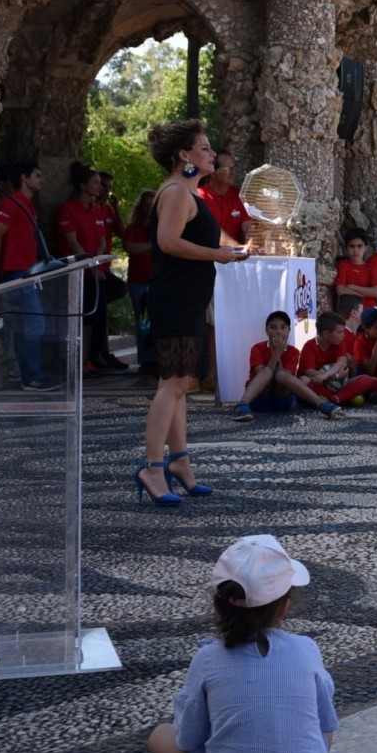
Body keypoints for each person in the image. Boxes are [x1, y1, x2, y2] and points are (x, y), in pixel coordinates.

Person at [147, 534, 337, 753]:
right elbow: (327, 723)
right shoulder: (307, 649)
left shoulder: (208, 659)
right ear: (284, 606)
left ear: (218, 605)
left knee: (160, 736)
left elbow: (187, 737)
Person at [140, 122, 249, 505]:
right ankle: (152, 468)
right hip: (175, 299)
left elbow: (201, 239)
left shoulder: (190, 192)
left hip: (188, 297)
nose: (211, 154)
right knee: (171, 384)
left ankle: (179, 463)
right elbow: (168, 242)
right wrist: (217, 255)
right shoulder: (175, 192)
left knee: (182, 384)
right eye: (203, 147)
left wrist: (232, 250)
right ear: (184, 156)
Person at [0, 159, 56, 391]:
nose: (42, 179)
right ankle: (32, 377)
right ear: (24, 179)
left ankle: (24, 373)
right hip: (16, 273)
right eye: (37, 175)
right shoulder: (12, 202)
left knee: (26, 325)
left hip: (28, 272)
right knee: (35, 324)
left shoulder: (29, 205)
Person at [54, 161, 126, 370]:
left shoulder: (97, 211)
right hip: (80, 275)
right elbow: (73, 243)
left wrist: (99, 264)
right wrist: (91, 267)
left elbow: (103, 241)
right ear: (82, 186)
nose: (100, 187)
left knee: (97, 317)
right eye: (95, 183)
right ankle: (81, 363)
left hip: (96, 274)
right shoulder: (68, 210)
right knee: (85, 318)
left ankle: (91, 359)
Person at [237, 310, 337, 418]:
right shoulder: (257, 348)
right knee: (266, 371)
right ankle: (243, 404)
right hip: (259, 399)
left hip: (282, 400)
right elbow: (261, 374)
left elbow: (285, 377)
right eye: (273, 328)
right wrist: (276, 353)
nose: (278, 332)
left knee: (281, 374)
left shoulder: (293, 352)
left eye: (283, 328)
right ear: (266, 331)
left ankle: (322, 404)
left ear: (289, 331)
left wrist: (278, 353)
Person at [299, 311, 377, 407]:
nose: (343, 335)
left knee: (366, 379)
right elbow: (309, 372)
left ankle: (336, 398)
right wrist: (334, 376)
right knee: (303, 380)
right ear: (326, 334)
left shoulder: (338, 342)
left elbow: (341, 361)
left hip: (339, 381)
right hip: (320, 384)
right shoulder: (309, 347)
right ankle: (343, 396)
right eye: (339, 332)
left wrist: (330, 375)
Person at [122, 189, 159, 372]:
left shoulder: (162, 225)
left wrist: (146, 248)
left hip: (158, 280)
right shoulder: (133, 228)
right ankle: (145, 359)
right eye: (146, 203)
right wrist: (153, 247)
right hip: (138, 280)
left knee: (158, 320)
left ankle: (158, 358)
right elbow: (131, 248)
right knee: (142, 322)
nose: (149, 207)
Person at [197, 153, 251, 246]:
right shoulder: (199, 197)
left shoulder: (239, 196)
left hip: (235, 256)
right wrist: (238, 248)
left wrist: (252, 243)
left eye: (233, 168)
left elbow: (248, 227)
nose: (233, 172)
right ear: (213, 173)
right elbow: (211, 231)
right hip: (208, 256)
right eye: (228, 169)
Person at [333, 227, 377, 310]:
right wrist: (364, 294)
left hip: (371, 311)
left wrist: (353, 287)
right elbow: (341, 291)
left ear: (366, 247)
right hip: (352, 312)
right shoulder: (343, 265)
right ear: (346, 248)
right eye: (351, 246)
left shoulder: (370, 267)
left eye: (359, 246)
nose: (355, 250)